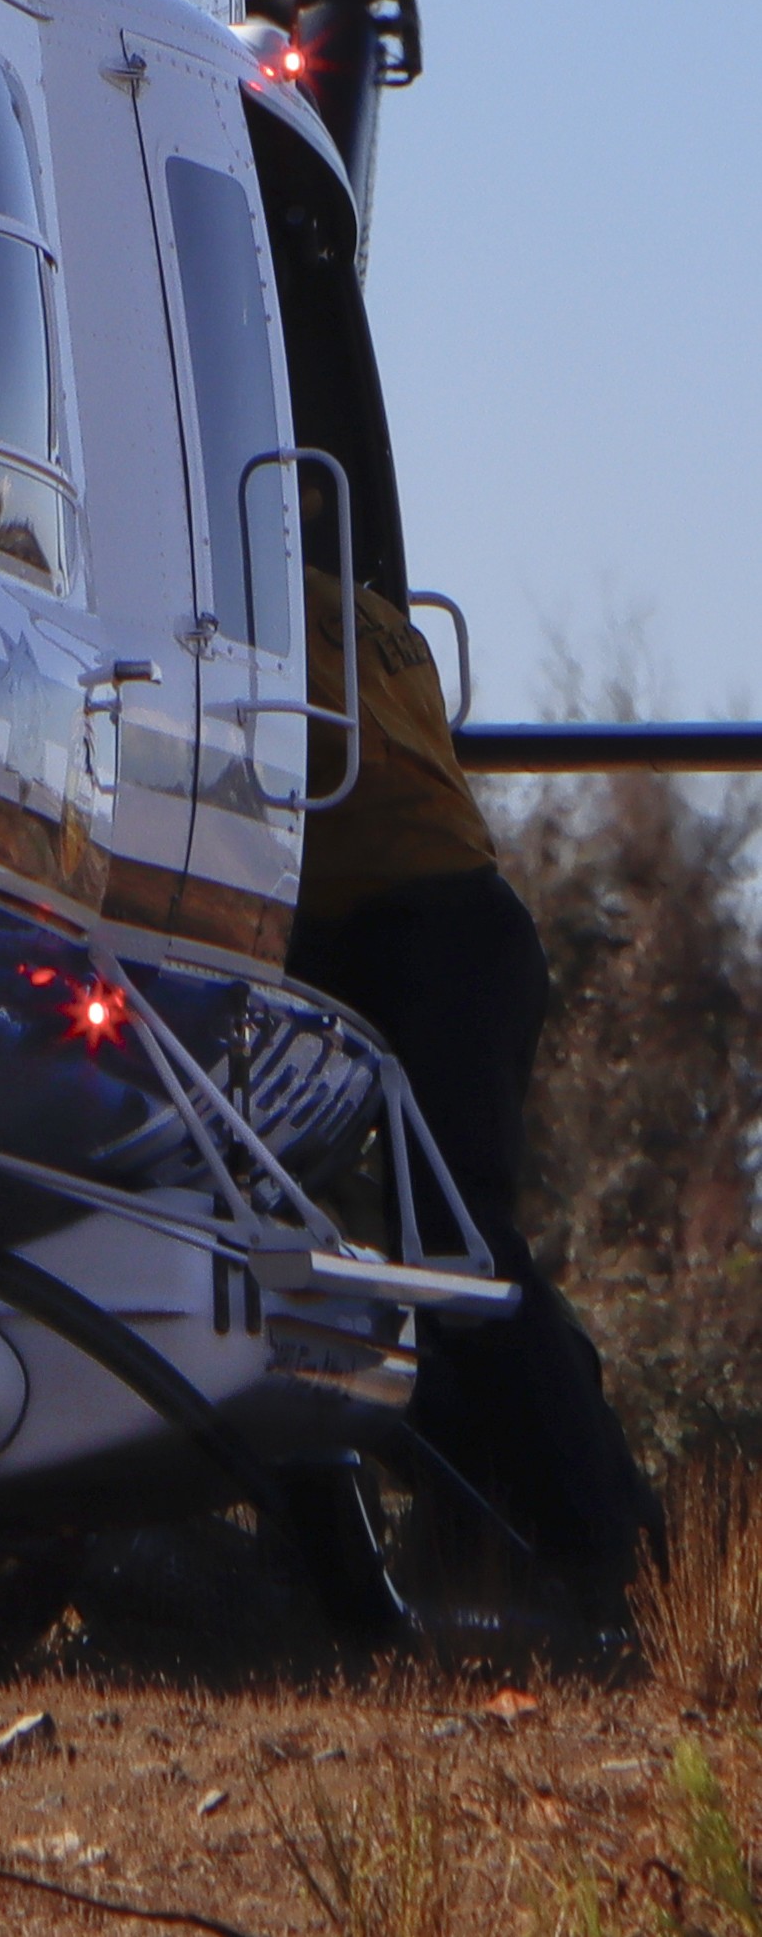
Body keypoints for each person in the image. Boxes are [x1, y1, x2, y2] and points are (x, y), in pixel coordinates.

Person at [285, 561, 659, 1619]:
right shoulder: (358, 610)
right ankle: (553, 1515)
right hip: (468, 927)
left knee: (451, 1248)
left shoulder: (256, 601)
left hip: (415, 937)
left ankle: (593, 1541)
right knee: (452, 1245)